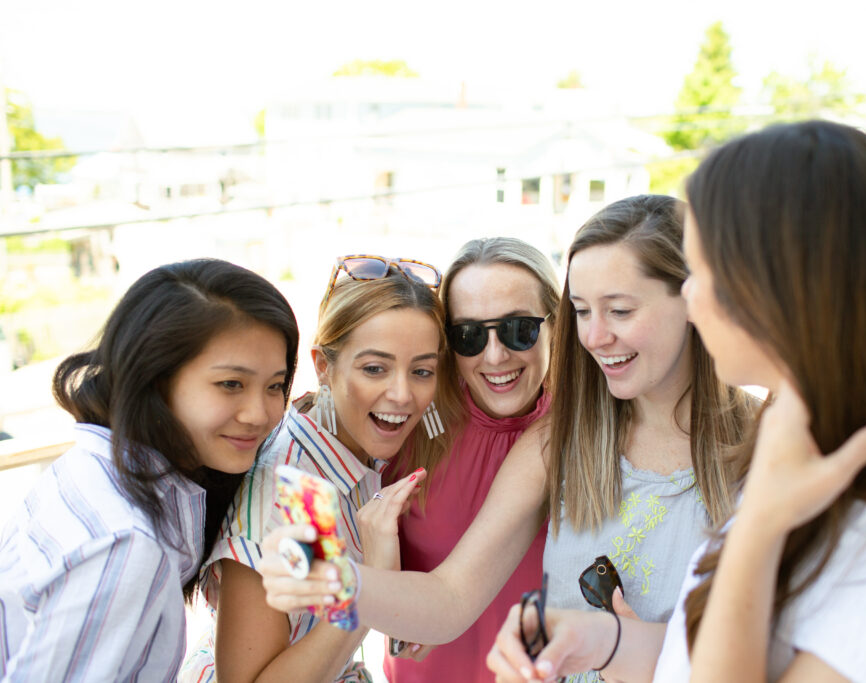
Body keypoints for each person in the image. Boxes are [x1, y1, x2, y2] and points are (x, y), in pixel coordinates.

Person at [487, 121, 866, 682]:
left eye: (704, 272)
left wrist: (759, 526)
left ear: (785, 287)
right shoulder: (797, 445)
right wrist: (600, 638)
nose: (689, 298)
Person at [259, 196, 756, 683]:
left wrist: (616, 644)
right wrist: (337, 579)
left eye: (620, 311)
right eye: (583, 311)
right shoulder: (559, 439)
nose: (596, 336)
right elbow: (451, 598)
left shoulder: (767, 442)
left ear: (697, 300)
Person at [0, 259, 300, 681]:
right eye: (231, 384)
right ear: (155, 379)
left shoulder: (98, 466)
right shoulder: (126, 543)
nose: (260, 414)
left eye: (274, 386)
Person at [179, 255, 457, 683]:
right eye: (374, 368)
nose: (402, 394)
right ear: (323, 366)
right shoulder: (292, 496)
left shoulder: (345, 440)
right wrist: (371, 588)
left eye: (421, 370)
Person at [381, 237, 559, 682]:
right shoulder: (410, 421)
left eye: (521, 328)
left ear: (557, 325)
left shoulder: (588, 431)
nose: (495, 356)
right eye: (469, 335)